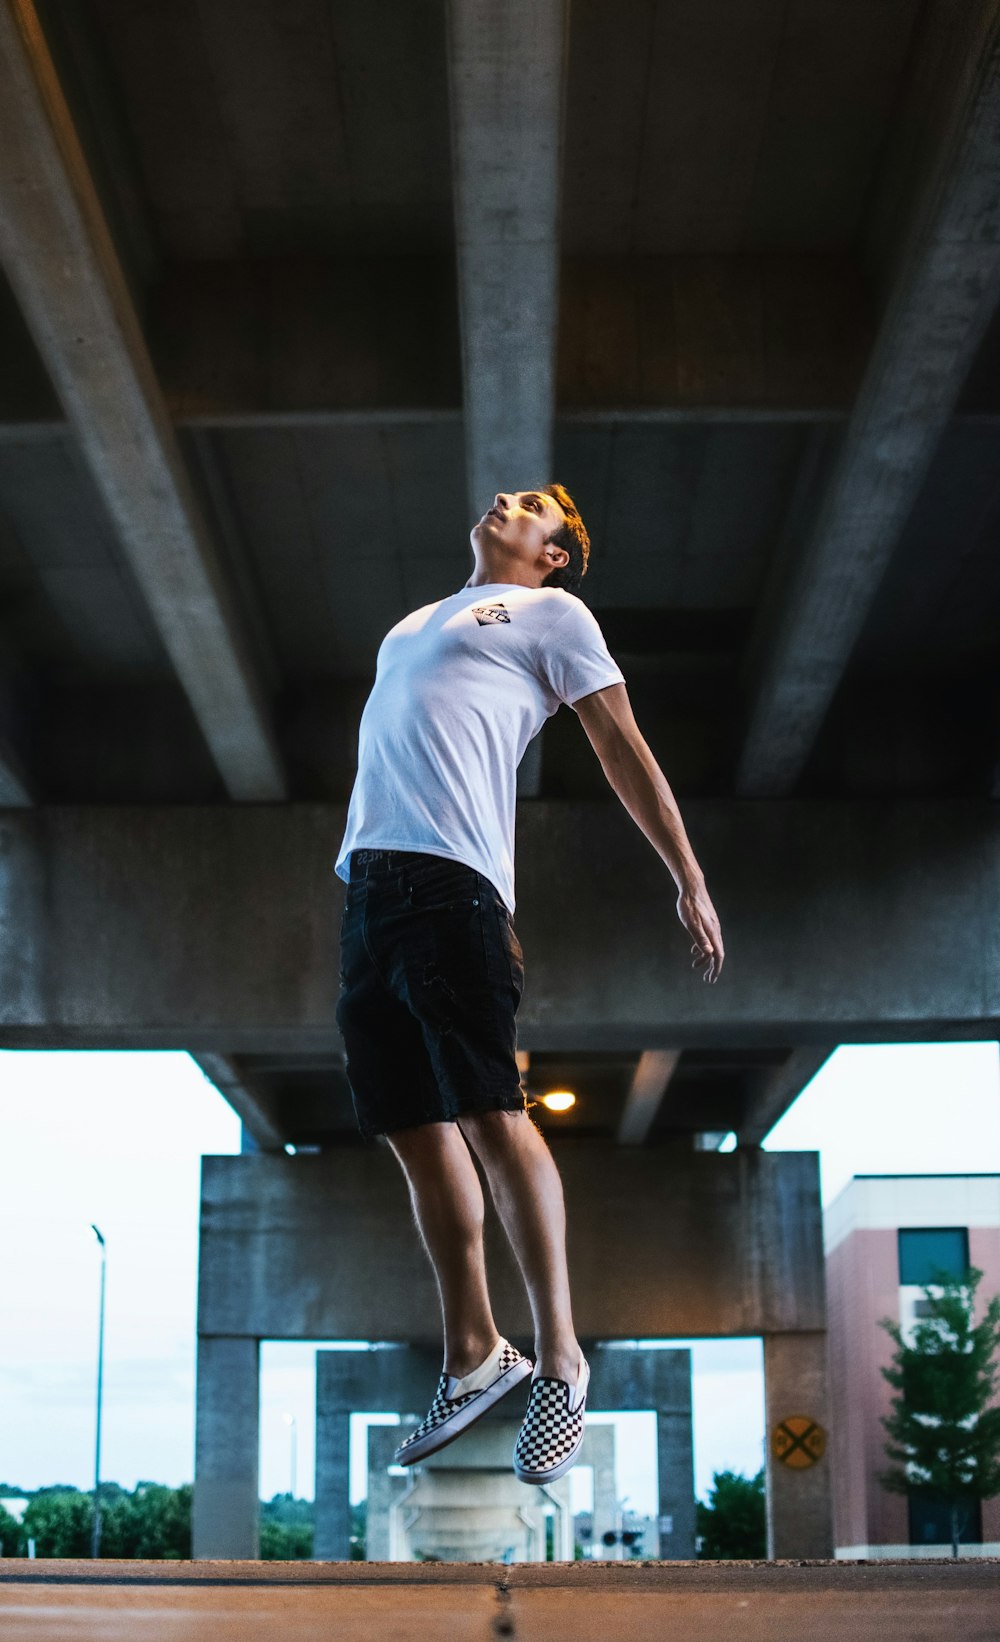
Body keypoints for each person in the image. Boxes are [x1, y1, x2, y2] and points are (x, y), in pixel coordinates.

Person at [334, 485, 724, 1485]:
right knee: (412, 1128)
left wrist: (687, 873)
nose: (508, 500)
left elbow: (619, 745)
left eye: (535, 507)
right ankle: (473, 1351)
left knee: (490, 1114)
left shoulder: (554, 614)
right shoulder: (411, 625)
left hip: (453, 887)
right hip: (369, 893)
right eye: (510, 495)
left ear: (554, 555)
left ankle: (558, 1356)